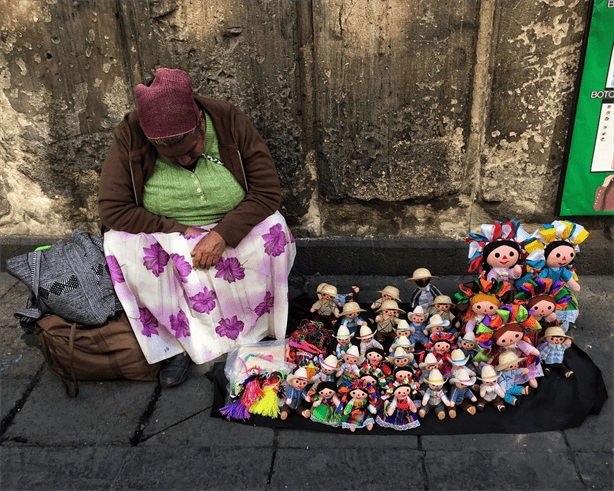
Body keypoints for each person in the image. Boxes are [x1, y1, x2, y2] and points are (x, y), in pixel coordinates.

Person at [98, 68, 296, 388]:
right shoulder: (130, 135)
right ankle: (176, 343)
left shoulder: (228, 120)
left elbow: (268, 191)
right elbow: (112, 209)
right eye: (171, 156)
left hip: (229, 224)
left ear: (199, 121)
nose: (185, 159)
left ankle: (261, 328)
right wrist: (172, 228)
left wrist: (223, 233)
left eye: (192, 149)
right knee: (120, 245)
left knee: (274, 230)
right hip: (167, 234)